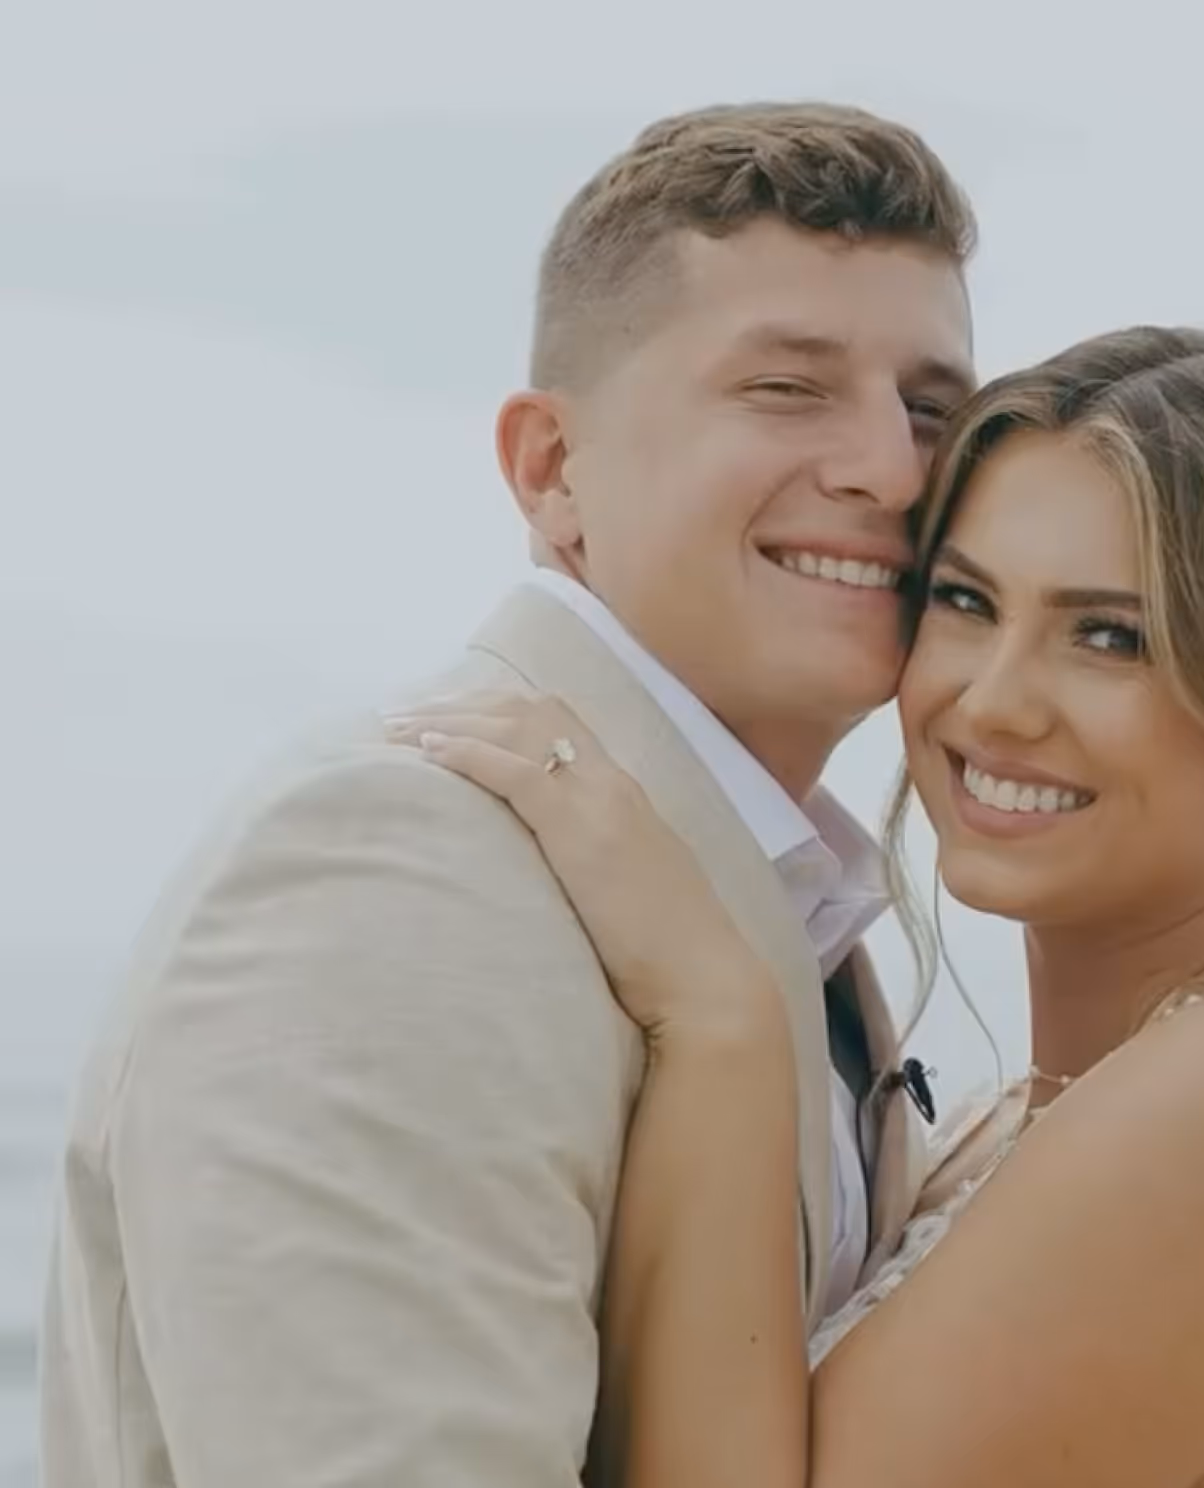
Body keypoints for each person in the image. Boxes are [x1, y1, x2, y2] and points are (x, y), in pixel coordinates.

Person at [394, 321, 1204, 1486]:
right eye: (966, 603)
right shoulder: (1001, 1126)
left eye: (1113, 637)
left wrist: (717, 1008)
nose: (995, 702)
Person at [38, 101, 978, 1488]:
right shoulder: (395, 873)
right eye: (787, 387)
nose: (890, 469)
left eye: (932, 410)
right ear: (553, 472)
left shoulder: (792, 917)